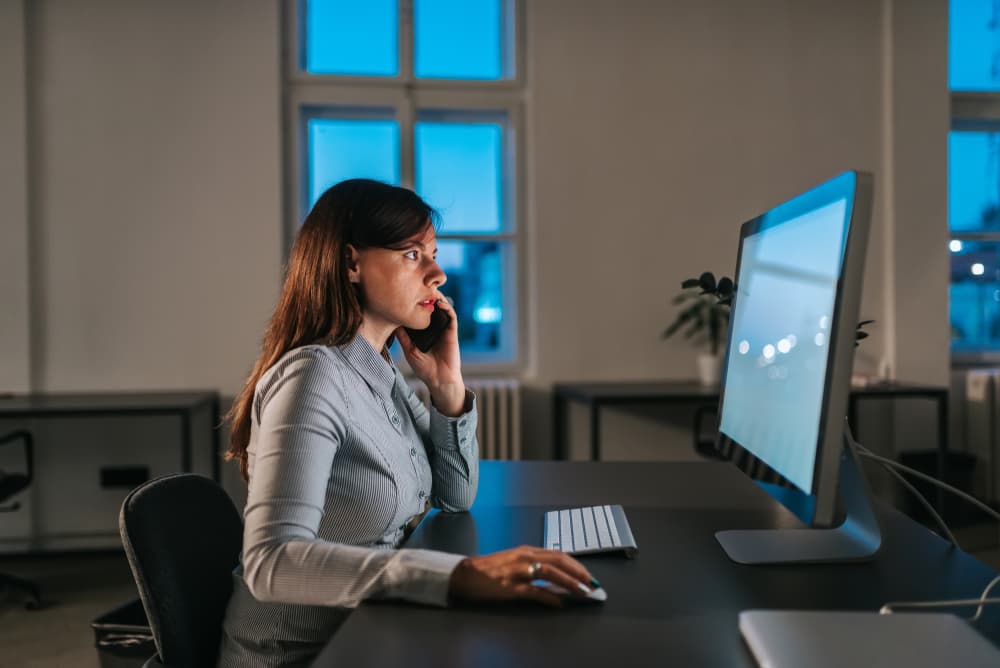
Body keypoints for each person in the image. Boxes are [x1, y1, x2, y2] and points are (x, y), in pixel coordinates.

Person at [216, 179, 598, 667]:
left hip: (371, 631)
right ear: (352, 263)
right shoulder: (313, 377)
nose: (437, 274)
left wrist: (447, 387)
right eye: (413, 255)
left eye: (434, 254)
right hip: (306, 655)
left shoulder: (379, 372)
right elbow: (271, 563)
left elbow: (454, 495)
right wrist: (455, 576)